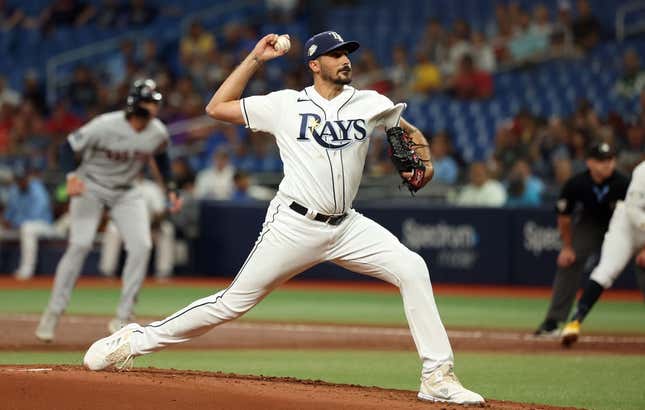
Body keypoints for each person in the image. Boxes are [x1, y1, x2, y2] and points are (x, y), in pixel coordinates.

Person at [83, 31, 484, 405]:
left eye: (348, 54)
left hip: (347, 225)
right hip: (293, 223)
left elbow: (406, 129)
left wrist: (422, 153)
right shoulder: (285, 104)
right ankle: (134, 340)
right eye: (336, 55)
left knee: (412, 268)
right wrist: (255, 59)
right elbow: (216, 107)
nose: (345, 60)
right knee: (230, 304)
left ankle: (437, 377)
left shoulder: (371, 102)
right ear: (314, 63)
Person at [35, 79, 182, 342]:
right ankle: (53, 313)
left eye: (155, 102)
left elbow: (161, 157)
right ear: (135, 104)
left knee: (142, 246)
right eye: (149, 101)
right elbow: (68, 146)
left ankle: (124, 317)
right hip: (91, 186)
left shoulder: (157, 132)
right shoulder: (105, 125)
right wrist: (70, 176)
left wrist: (170, 188)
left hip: (127, 191)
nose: (154, 107)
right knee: (80, 244)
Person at [534, 142, 640, 336]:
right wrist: (567, 247)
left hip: (624, 226)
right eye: (601, 160)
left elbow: (639, 213)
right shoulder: (577, 184)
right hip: (590, 224)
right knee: (569, 261)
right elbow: (564, 217)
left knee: (643, 263)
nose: (607, 164)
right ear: (589, 162)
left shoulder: (624, 183)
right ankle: (553, 321)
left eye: (610, 160)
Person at [561, 160, 645, 346]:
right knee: (607, 270)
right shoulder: (642, 171)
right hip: (627, 227)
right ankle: (575, 321)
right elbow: (633, 210)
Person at [99, 175, 176, 289]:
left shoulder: (152, 188)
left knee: (167, 230)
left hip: (150, 228)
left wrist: (157, 220)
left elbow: (159, 212)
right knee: (112, 229)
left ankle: (163, 273)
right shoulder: (119, 185)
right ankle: (107, 272)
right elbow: (112, 213)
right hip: (124, 228)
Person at [2, 166, 57, 280]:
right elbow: (8, 214)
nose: (20, 182)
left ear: (27, 178)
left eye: (22, 179)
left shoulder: (37, 189)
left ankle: (27, 270)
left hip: (43, 226)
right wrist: (6, 221)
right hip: (19, 226)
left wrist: (13, 222)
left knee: (28, 228)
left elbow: (35, 216)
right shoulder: (14, 190)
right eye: (18, 179)